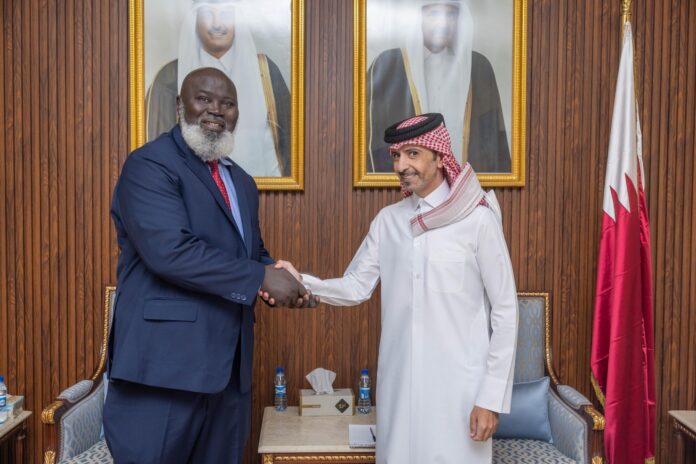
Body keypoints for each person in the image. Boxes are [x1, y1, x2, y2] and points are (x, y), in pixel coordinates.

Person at [270, 113, 518, 463]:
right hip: (399, 387)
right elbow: (356, 286)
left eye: (413, 154)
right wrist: (300, 281)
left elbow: (506, 311)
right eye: (396, 156)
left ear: (439, 156)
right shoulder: (389, 221)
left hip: (459, 393)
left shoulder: (477, 219)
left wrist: (490, 399)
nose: (401, 165)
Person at [104, 68, 314, 464]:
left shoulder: (242, 182)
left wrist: (283, 278)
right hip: (163, 373)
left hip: (227, 375)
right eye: (203, 99)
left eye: (228, 103)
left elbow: (250, 254)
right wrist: (260, 276)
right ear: (180, 106)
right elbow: (171, 252)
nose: (216, 110)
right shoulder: (149, 165)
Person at [146, 0, 291, 176]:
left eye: (225, 14)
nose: (217, 24)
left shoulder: (265, 72)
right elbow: (156, 153)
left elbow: (289, 148)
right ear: (195, 19)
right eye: (208, 14)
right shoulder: (168, 77)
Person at [367, 0, 510, 173]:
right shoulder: (387, 65)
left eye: (451, 14)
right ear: (418, 18)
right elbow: (372, 140)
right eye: (434, 14)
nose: (443, 23)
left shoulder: (479, 67)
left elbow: (494, 142)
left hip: (467, 186)